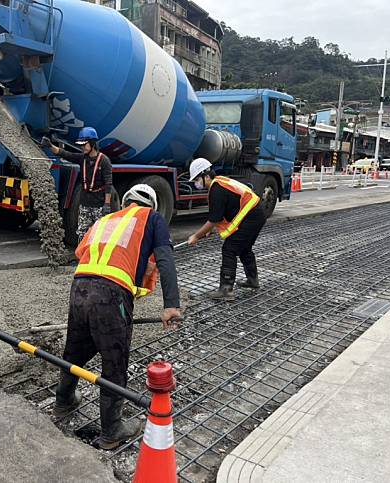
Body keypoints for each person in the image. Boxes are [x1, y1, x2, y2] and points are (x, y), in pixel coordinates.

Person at [54, 184, 181, 450]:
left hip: (79, 286)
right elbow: (166, 259)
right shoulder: (152, 218)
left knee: (74, 350)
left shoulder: (105, 220)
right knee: (114, 362)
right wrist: (171, 304)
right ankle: (112, 431)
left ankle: (64, 401)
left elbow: (82, 252)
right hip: (110, 294)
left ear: (126, 202)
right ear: (151, 205)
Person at [187, 158, 266, 301]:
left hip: (252, 217)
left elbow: (214, 219)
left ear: (206, 176)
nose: (196, 183)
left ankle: (226, 290)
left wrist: (196, 236)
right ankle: (252, 281)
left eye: (197, 179)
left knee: (229, 249)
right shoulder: (219, 183)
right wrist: (209, 230)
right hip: (256, 214)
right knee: (244, 248)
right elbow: (223, 211)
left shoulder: (217, 190)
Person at [42, 128, 112, 241]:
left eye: (84, 144)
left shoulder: (104, 161)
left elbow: (108, 184)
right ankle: (82, 257)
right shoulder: (82, 158)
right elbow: (65, 154)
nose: (82, 147)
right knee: (82, 234)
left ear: (92, 143)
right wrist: (50, 145)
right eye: (81, 145)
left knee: (100, 235)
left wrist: (107, 204)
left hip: (98, 205)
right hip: (85, 204)